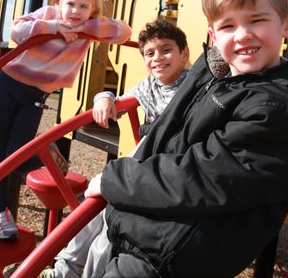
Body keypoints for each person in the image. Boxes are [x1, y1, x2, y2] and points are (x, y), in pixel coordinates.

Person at [83, 0, 288, 277]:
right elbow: (168, 128)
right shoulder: (217, 74)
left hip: (172, 256)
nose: (242, 35)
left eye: (257, 20)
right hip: (152, 232)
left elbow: (205, 176)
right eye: (227, 26)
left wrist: (117, 179)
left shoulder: (278, 105)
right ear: (212, 34)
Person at [30, 18, 201, 278]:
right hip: (140, 163)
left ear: (184, 54)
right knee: (91, 208)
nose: (158, 58)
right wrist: (104, 97)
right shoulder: (150, 85)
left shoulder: (193, 85)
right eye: (149, 53)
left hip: (160, 170)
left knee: (111, 227)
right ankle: (64, 270)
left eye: (166, 50)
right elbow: (119, 99)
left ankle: (83, 274)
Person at [0, 0, 131, 240]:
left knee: (15, 155)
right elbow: (16, 31)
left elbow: (124, 32)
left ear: (92, 11)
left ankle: (50, 156)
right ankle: (2, 214)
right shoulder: (50, 14)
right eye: (70, 4)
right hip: (7, 86)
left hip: (35, 95)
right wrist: (54, 27)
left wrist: (89, 28)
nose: (75, 11)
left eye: (83, 7)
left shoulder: (88, 30)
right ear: (59, 2)